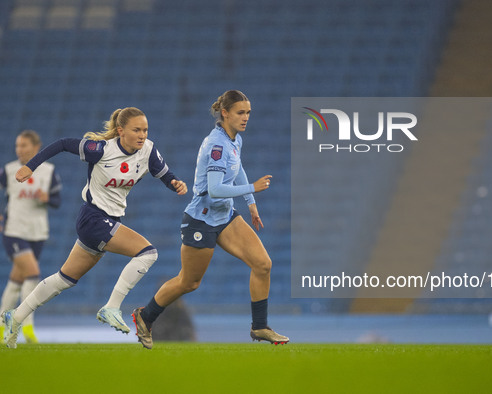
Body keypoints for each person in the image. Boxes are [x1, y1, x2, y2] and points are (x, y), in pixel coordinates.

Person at [1, 107, 187, 348]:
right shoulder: (100, 150)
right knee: (148, 252)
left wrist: (175, 184)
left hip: (108, 220)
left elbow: (165, 174)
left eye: (145, 130)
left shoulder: (148, 150)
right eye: (136, 130)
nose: (142, 135)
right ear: (121, 131)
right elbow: (62, 144)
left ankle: (14, 317)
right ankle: (111, 307)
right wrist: (31, 166)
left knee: (64, 279)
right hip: (93, 218)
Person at [131, 90, 288, 349]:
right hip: (201, 220)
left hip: (224, 215)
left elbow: (238, 169)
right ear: (225, 113)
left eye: (248, 112)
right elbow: (214, 189)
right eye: (240, 112)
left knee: (263, 264)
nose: (246, 117)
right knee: (189, 282)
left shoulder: (234, 140)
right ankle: (145, 316)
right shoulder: (217, 144)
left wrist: (252, 205)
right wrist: (253, 188)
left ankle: (259, 326)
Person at [0, 130, 62, 344]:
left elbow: (56, 200)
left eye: (24, 145)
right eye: (18, 146)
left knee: (16, 281)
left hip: (37, 232)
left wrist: (47, 198)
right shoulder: (8, 171)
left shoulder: (48, 171)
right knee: (33, 274)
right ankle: (26, 328)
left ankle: (1, 328)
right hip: (13, 231)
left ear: (36, 148)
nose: (19, 150)